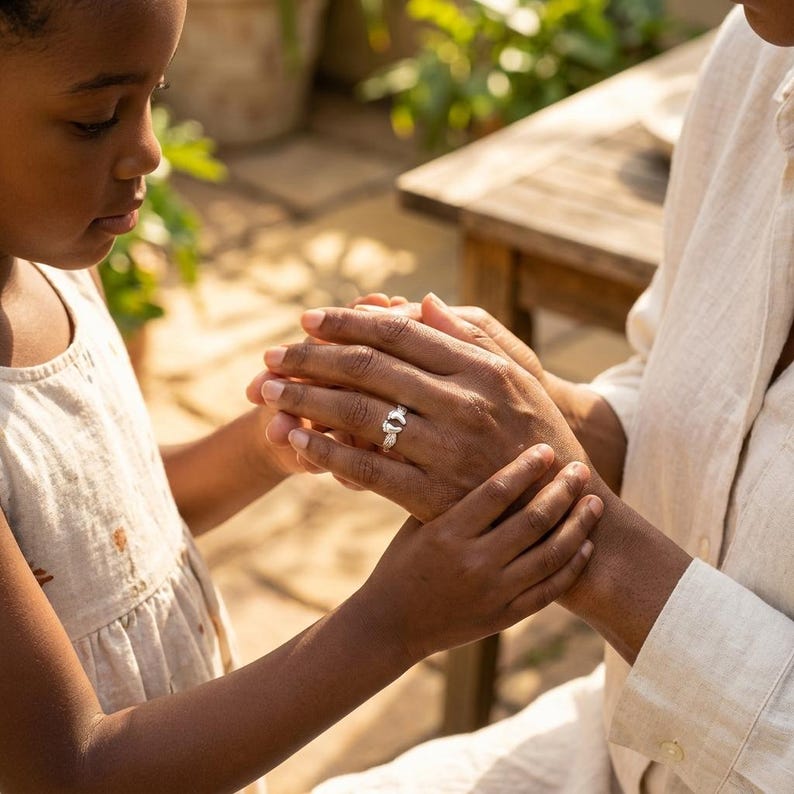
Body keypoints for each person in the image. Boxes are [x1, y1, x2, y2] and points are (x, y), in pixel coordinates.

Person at [0, 1, 608, 792]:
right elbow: (71, 770)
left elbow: (106, 523)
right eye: (96, 118)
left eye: (157, 94)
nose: (147, 151)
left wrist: (268, 443)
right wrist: (393, 624)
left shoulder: (55, 264)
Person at [249, 3, 794, 791]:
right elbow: (688, 401)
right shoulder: (757, 54)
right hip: (625, 749)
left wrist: (578, 537)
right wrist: (530, 415)